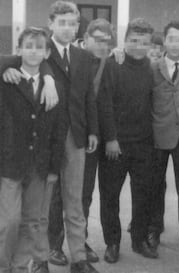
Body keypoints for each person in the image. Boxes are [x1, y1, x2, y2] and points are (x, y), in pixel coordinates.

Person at [48, 17, 115, 264]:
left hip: (85, 135)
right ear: (84, 38)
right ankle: (53, 244)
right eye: (97, 40)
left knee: (82, 194)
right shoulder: (61, 55)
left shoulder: (106, 64)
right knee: (55, 193)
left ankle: (80, 242)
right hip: (57, 134)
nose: (102, 45)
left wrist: (95, 133)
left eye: (107, 41)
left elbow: (97, 103)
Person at [0, 27, 66, 273]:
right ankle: (4, 265)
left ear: (47, 52)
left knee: (31, 221)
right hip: (10, 162)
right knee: (8, 221)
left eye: (40, 47)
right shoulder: (7, 80)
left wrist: (53, 168)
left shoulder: (54, 86)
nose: (34, 51)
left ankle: (19, 266)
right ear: (18, 50)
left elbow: (59, 130)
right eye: (28, 46)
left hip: (39, 164)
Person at [97, 18, 156, 262]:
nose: (138, 46)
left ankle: (139, 240)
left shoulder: (152, 66)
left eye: (144, 42)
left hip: (144, 142)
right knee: (110, 196)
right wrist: (111, 139)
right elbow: (105, 103)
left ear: (151, 44)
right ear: (124, 41)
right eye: (133, 41)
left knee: (143, 194)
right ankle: (112, 243)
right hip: (115, 144)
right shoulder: (113, 64)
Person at [149, 20, 179, 252]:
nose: (176, 44)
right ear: (164, 40)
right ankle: (154, 229)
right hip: (158, 133)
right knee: (155, 184)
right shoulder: (152, 66)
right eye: (171, 39)